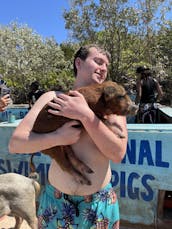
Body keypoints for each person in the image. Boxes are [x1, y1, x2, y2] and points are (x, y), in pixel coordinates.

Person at [9, 44, 128, 228]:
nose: (103, 68)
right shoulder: (51, 98)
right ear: (78, 63)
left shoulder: (111, 102)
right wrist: (58, 137)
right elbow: (16, 144)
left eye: (106, 65)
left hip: (99, 205)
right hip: (55, 203)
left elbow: (118, 153)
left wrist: (85, 115)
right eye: (98, 61)